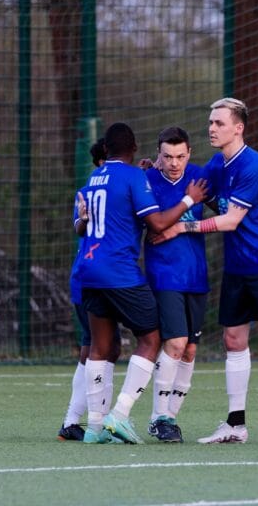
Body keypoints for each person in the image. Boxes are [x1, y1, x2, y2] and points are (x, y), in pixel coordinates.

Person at [151, 98, 258, 445]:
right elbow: (187, 185)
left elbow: (231, 220)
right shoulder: (216, 164)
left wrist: (182, 228)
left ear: (238, 128)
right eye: (210, 122)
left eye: (219, 123)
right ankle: (236, 425)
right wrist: (151, 168)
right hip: (237, 266)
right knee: (233, 340)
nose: (212, 128)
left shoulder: (253, 165)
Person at [77, 122, 207, 444]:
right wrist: (189, 200)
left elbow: (81, 226)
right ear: (135, 148)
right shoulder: (136, 177)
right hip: (120, 272)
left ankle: (94, 428)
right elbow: (158, 224)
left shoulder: (94, 178)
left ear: (105, 150)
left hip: (88, 270)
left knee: (101, 347)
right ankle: (119, 414)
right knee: (153, 337)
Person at [143, 127, 210, 443]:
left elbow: (228, 212)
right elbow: (152, 223)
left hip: (196, 275)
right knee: (176, 342)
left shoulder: (200, 178)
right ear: (158, 154)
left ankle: (170, 417)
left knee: (191, 349)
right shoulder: (147, 180)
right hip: (164, 274)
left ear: (190, 153)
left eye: (180, 156)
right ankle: (159, 417)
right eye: (167, 156)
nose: (174, 163)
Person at [58, 138, 123, 441]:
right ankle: (92, 421)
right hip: (90, 280)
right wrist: (83, 219)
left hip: (97, 278)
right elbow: (78, 226)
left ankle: (74, 422)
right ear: (102, 163)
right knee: (101, 347)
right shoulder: (90, 191)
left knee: (96, 347)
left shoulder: (113, 189)